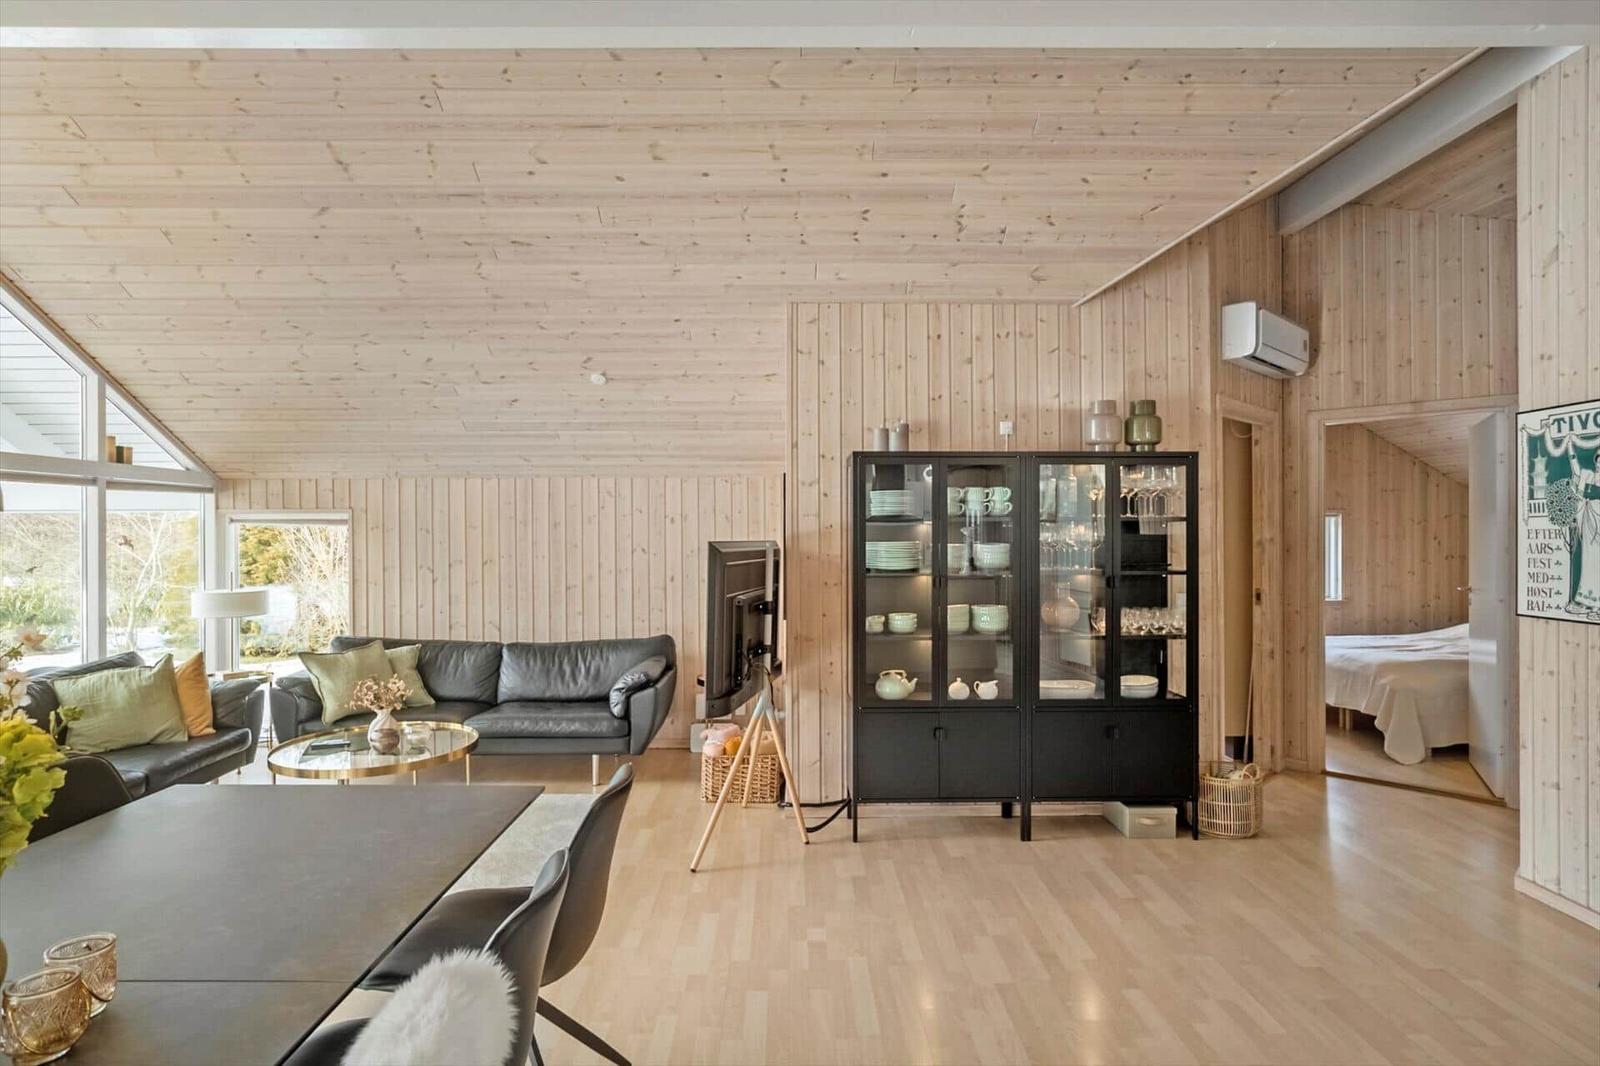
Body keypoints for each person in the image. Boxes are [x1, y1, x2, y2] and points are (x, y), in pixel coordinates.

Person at [1569, 450, 1600, 619]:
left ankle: (1598, 606)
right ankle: (1586, 602)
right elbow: (1576, 471)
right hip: (1588, 520)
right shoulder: (1588, 476)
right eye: (1598, 460)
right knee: (1588, 561)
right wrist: (1571, 450)